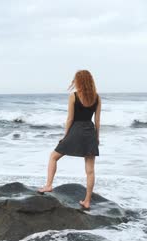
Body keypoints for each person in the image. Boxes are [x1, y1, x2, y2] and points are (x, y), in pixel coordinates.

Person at [38, 70, 101, 209]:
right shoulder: (97, 97)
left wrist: (65, 137)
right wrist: (97, 138)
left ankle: (48, 185)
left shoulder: (74, 96)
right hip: (90, 132)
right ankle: (87, 201)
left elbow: (70, 119)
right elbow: (97, 121)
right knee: (90, 170)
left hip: (76, 131)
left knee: (53, 157)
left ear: (78, 81)